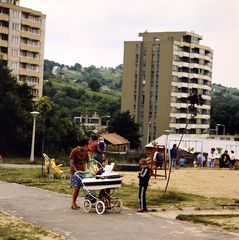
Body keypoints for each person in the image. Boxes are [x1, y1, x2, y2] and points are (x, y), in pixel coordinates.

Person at [69, 138, 90, 210]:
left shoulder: (85, 151)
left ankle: (75, 203)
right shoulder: (74, 151)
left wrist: (87, 169)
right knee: (76, 187)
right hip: (75, 172)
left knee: (80, 188)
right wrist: (76, 170)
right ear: (84, 145)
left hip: (82, 171)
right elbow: (71, 163)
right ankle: (73, 203)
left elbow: (88, 161)